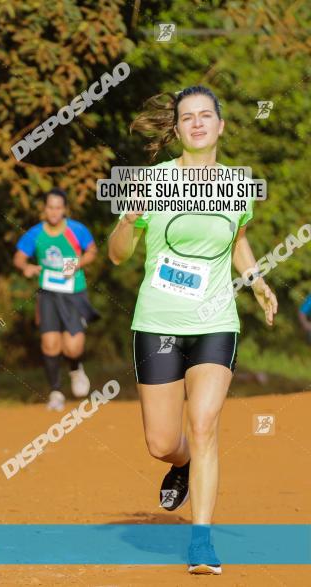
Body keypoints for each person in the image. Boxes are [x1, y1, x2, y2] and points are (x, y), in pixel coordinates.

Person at [109, 86, 278, 575]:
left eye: (207, 116)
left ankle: (200, 540)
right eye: (188, 117)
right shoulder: (149, 181)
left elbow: (238, 239)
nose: (198, 123)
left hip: (215, 322)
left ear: (221, 126)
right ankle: (179, 464)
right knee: (163, 441)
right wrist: (129, 220)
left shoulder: (237, 185)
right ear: (178, 129)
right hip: (158, 322)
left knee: (203, 424)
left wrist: (258, 281)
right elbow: (119, 254)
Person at [13, 188, 98, 411]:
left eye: (58, 207)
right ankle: (56, 392)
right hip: (48, 293)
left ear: (64, 209)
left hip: (73, 292)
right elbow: (19, 258)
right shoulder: (35, 233)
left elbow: (91, 251)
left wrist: (76, 264)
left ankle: (76, 369)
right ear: (44, 209)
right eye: (50, 207)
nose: (53, 211)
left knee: (72, 347)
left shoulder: (76, 230)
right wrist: (27, 267)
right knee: (50, 344)